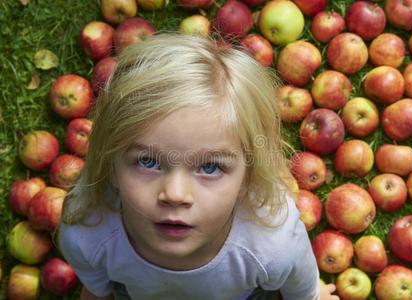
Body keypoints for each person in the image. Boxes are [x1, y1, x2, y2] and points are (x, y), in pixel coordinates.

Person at [59, 33, 339, 300]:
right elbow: (97, 289)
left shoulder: (272, 242)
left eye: (209, 168)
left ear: (249, 179)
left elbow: (298, 282)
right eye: (147, 161)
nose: (175, 194)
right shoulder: (88, 229)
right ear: (111, 166)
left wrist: (311, 295)